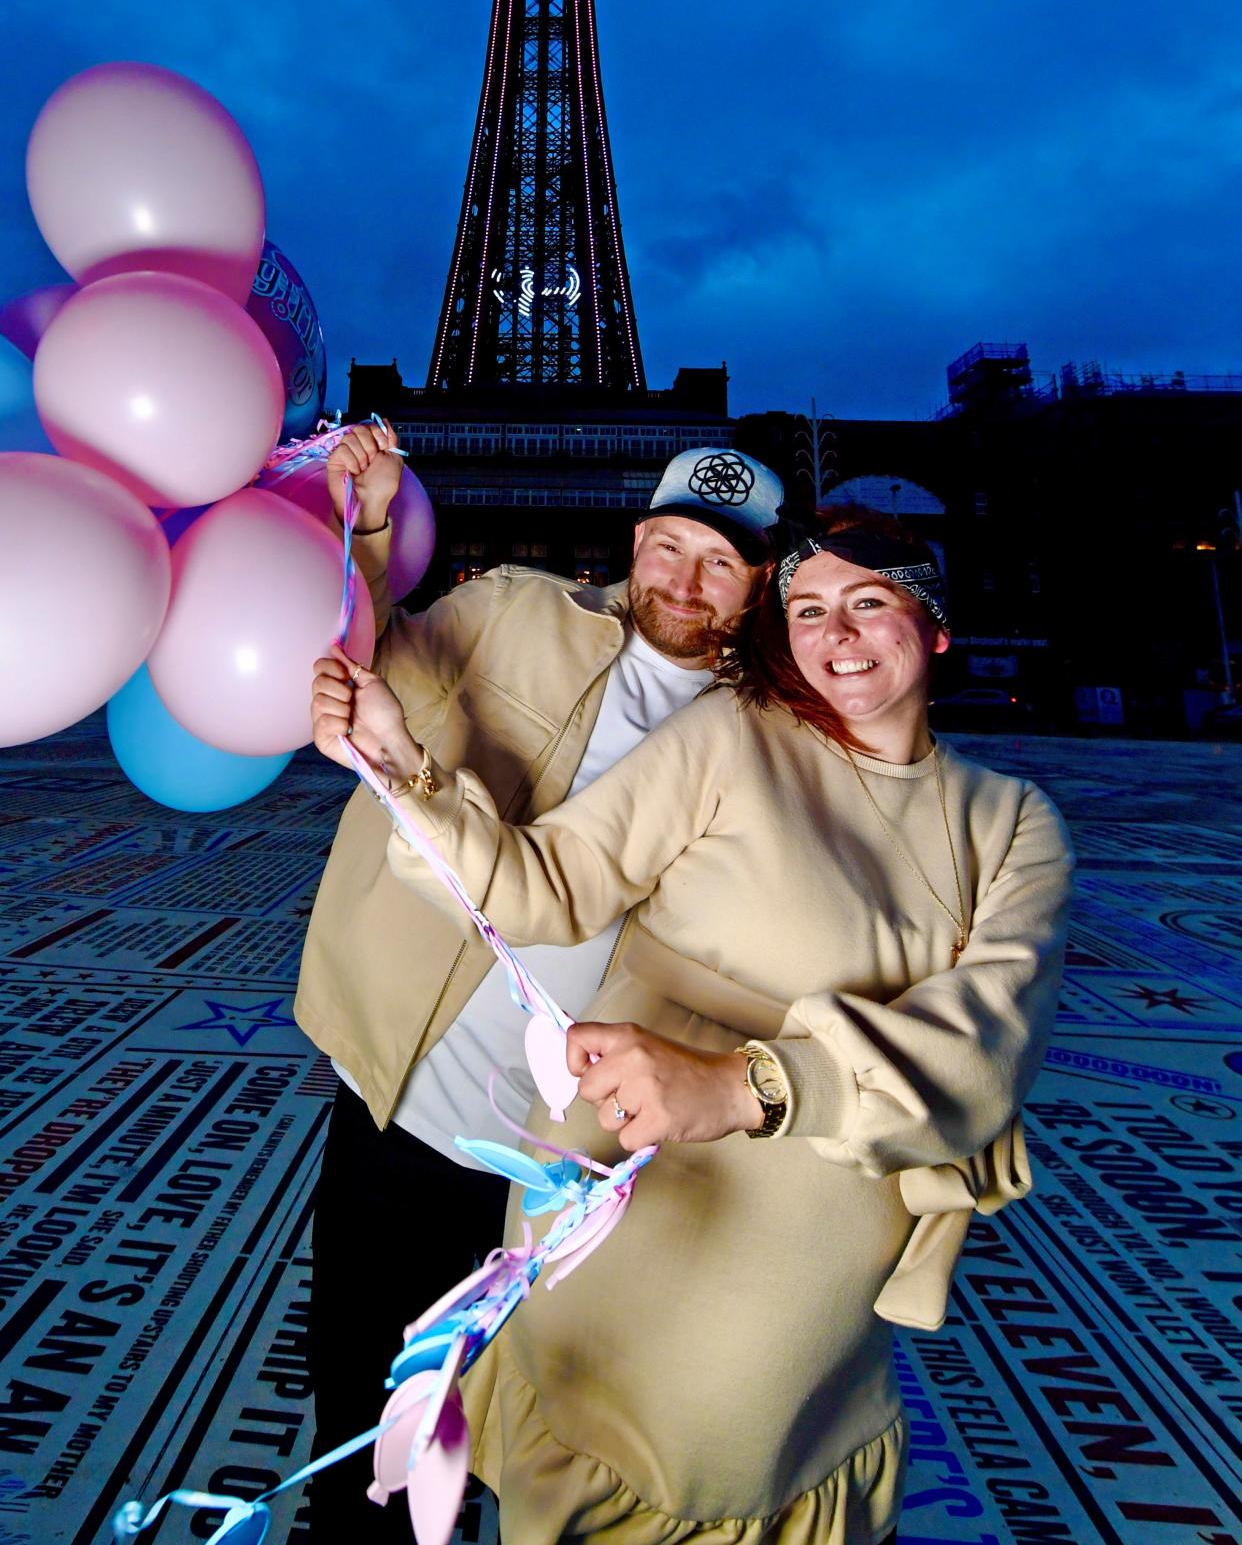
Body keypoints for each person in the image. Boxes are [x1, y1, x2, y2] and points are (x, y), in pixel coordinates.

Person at [316, 505, 1073, 1545]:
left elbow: (981, 1043)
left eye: (871, 604)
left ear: (936, 628)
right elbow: (547, 881)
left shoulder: (1011, 819)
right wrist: (404, 766)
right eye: (810, 610)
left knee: (738, 1459)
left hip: (801, 1259)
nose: (837, 635)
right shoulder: (728, 736)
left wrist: (742, 1082)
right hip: (621, 1205)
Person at [297, 430, 784, 1535]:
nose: (686, 581)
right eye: (670, 547)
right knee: (363, 1445)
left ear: (759, 581)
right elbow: (369, 651)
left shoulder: (772, 732)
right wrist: (367, 527)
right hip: (408, 1113)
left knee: (535, 1462)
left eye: (721, 563)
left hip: (587, 1172)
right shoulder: (517, 608)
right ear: (636, 541)